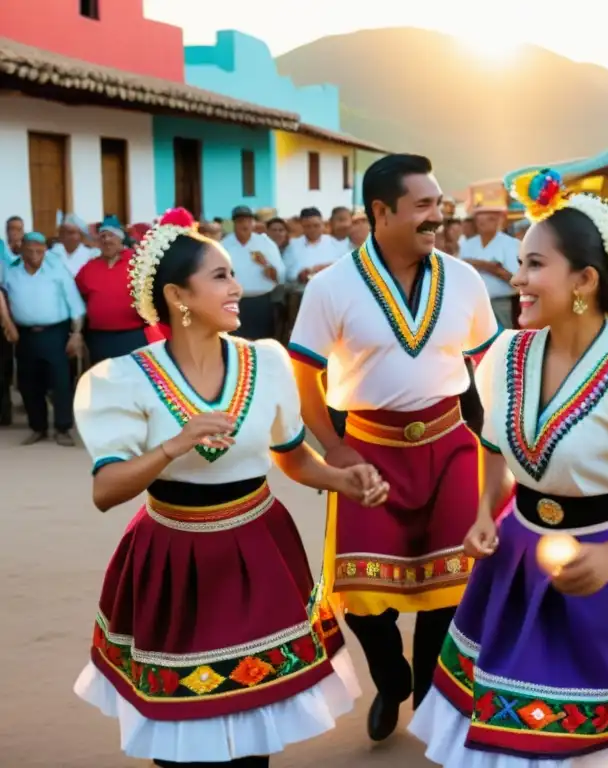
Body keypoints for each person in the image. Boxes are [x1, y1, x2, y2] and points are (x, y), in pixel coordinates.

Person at [410, 168, 608, 767]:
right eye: (520, 262)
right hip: (518, 560)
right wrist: (485, 511)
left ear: (585, 280)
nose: (517, 277)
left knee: (577, 742)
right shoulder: (508, 354)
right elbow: (497, 447)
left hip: (605, 568)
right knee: (507, 735)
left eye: (534, 264)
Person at [71, 207, 385, 766]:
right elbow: (106, 490)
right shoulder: (125, 379)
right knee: (181, 727)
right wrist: (172, 446)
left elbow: (293, 459)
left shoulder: (267, 363)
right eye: (220, 276)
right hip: (174, 554)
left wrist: (345, 480)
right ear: (177, 296)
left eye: (234, 273)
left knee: (250, 716)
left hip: (256, 548)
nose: (238, 287)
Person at [288, 154, 500, 742]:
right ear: (382, 212)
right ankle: (392, 679)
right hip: (368, 450)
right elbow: (304, 376)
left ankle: (430, 695)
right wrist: (333, 447)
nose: (439, 215)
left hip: (450, 444)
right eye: (424, 206)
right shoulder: (330, 286)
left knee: (452, 584)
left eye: (439, 203)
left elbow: (491, 366)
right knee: (360, 593)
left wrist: (503, 440)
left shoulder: (465, 280)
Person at [2, 231, 85, 446]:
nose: (35, 255)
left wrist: (76, 334)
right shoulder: (11, 273)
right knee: (29, 384)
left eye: (39, 251)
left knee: (60, 382)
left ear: (46, 251)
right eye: (30, 250)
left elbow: (75, 303)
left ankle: (62, 427)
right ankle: (38, 427)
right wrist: (8, 325)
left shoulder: (57, 271)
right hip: (25, 335)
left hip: (55, 333)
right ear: (21, 251)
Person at [75, 216, 150, 364]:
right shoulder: (89, 267)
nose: (107, 240)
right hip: (99, 338)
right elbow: (78, 296)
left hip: (132, 336)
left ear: (120, 239)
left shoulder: (138, 262)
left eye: (111, 235)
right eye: (103, 236)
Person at [221, 205, 285, 340]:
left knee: (261, 343)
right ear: (234, 224)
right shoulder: (223, 245)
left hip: (260, 302)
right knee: (235, 343)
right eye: (240, 221)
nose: (244, 225)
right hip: (234, 302)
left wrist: (265, 264)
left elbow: (279, 277)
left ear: (253, 223)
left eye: (248, 221)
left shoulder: (266, 243)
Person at [460, 204, 520, 329]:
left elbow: (516, 281)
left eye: (489, 219)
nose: (482, 223)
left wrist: (487, 267)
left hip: (500, 303)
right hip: (473, 304)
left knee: (503, 339)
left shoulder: (510, 244)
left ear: (498, 220)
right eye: (479, 220)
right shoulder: (467, 245)